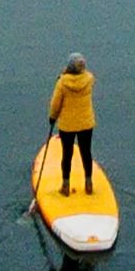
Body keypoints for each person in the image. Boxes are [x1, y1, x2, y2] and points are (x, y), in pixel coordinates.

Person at [48, 54, 97, 193]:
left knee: (67, 154)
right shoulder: (89, 79)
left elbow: (55, 103)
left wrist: (52, 117)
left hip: (67, 125)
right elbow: (83, 76)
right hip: (86, 123)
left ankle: (65, 186)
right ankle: (88, 184)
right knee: (86, 152)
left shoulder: (62, 83)